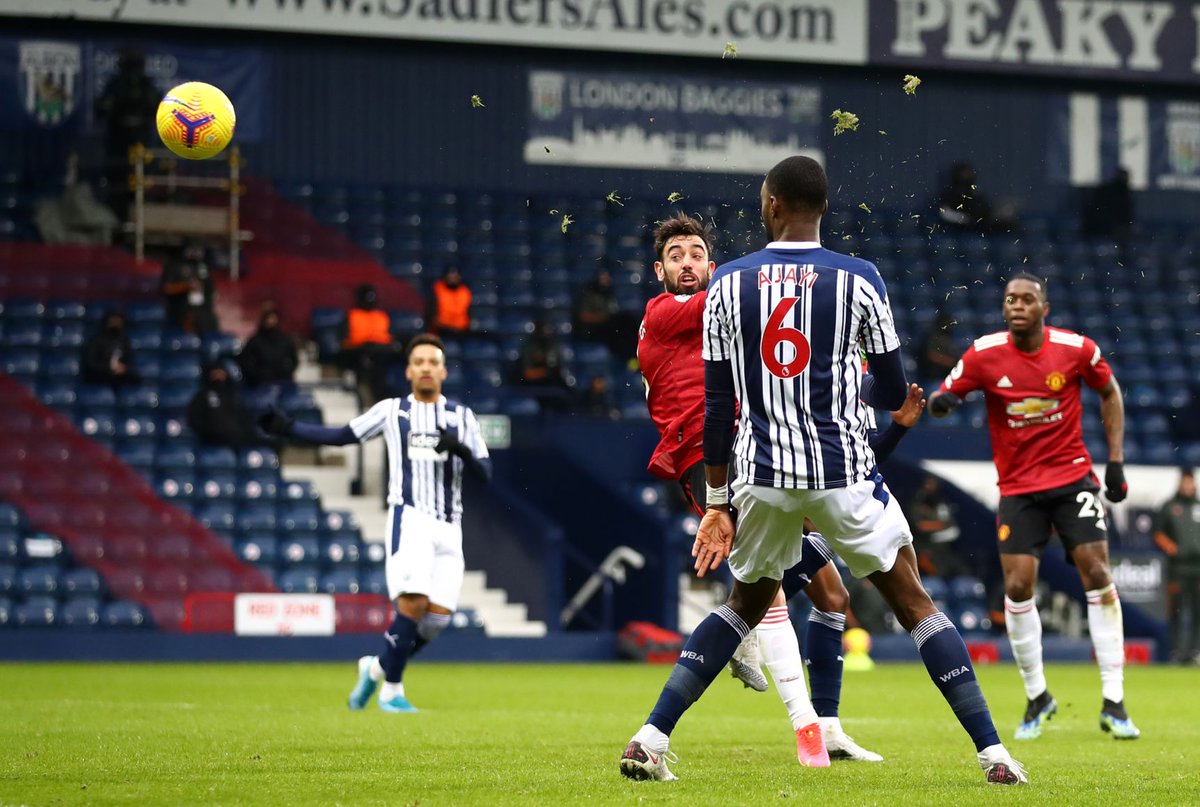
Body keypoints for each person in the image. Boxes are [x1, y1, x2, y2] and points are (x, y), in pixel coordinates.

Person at [619, 156, 1026, 785]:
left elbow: (721, 402)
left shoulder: (728, 285)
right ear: (824, 208)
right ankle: (994, 753)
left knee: (742, 604)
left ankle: (651, 738)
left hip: (760, 474)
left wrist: (721, 501)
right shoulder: (860, 279)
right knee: (915, 603)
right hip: (840, 466)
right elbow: (891, 389)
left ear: (772, 205)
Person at [637, 212, 928, 765]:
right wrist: (808, 291)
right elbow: (762, 307)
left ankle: (829, 723)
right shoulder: (664, 312)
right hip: (708, 456)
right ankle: (805, 735)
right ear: (659, 271)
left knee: (834, 596)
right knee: (766, 594)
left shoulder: (722, 305)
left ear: (711, 263)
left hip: (756, 451)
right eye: (676, 256)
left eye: (697, 254)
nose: (688, 264)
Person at [928, 271, 1138, 741]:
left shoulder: (1076, 349)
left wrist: (1117, 460)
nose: (1018, 305)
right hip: (1019, 489)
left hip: (1072, 479)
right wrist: (943, 403)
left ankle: (1115, 700)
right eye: (1010, 299)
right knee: (1019, 586)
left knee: (1098, 573)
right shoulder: (984, 354)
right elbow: (949, 391)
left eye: (1027, 299)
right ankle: (1038, 695)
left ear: (1044, 308)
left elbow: (1110, 392)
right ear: (1004, 310)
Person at [259, 333, 491, 712]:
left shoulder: (461, 417)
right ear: (409, 371)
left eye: (433, 362)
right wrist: (288, 428)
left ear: (443, 371)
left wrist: (460, 449)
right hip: (411, 517)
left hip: (451, 527)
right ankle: (392, 692)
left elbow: (486, 474)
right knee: (413, 604)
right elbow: (341, 436)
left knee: (436, 620)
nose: (426, 368)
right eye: (419, 362)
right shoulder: (391, 411)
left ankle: (376, 667)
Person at [93, 44, 159, 220]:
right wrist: (114, 109)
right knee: (118, 187)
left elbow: (158, 108)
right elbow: (99, 108)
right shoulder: (116, 84)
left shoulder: (146, 84)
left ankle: (138, 221)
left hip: (140, 141)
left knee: (140, 184)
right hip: (118, 142)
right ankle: (118, 222)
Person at [1154, 468, 1200, 663]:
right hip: (1178, 569)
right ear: (1180, 483)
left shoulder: (1198, 506)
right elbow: (1158, 533)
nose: (1188, 486)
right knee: (1177, 612)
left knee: (1198, 613)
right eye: (1185, 482)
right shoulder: (1170, 506)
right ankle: (1176, 652)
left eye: (1191, 482)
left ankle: (1195, 652)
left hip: (1198, 569)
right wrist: (1171, 548)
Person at [187, 362, 272, 449]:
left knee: (275, 444)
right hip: (217, 442)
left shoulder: (234, 396)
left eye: (221, 372)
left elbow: (245, 419)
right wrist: (212, 433)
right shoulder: (202, 397)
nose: (218, 375)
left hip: (242, 440)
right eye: (215, 372)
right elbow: (194, 420)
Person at [342, 283, 403, 402]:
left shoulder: (382, 316)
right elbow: (344, 342)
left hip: (381, 354)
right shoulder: (352, 316)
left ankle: (387, 397)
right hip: (359, 354)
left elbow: (391, 338)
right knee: (365, 362)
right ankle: (365, 395)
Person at [909, 475, 967, 579]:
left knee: (955, 567)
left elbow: (948, 525)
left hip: (944, 547)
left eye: (932, 485)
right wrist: (937, 525)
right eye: (928, 484)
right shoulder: (917, 503)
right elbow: (920, 526)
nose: (930, 488)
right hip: (923, 545)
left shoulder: (941, 504)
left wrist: (934, 525)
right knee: (926, 565)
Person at [162, 241, 218, 335]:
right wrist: (187, 286)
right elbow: (167, 288)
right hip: (180, 310)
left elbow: (210, 293)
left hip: (202, 311)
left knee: (210, 322)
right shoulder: (174, 266)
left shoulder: (204, 268)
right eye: (192, 249)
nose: (195, 252)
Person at [238, 304, 298, 389]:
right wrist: (257, 374)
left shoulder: (285, 340)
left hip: (283, 381)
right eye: (267, 318)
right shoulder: (255, 341)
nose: (270, 321)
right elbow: (244, 361)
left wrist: (285, 371)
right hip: (260, 383)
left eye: (272, 318)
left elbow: (294, 360)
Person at [81, 310, 140, 388]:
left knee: (135, 379)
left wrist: (123, 368)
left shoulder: (124, 341)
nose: (115, 323)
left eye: (118, 321)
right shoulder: (96, 340)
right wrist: (109, 368)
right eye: (113, 321)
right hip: (101, 374)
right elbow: (91, 363)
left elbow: (129, 361)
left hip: (119, 376)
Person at [1081, 168, 1134, 252]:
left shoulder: (1124, 194)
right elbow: (1098, 213)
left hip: (1111, 230)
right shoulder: (1109, 192)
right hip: (1101, 230)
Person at [937, 162, 993, 233]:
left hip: (972, 233)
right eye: (963, 176)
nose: (966, 178)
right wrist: (963, 218)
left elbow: (983, 219)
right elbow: (944, 214)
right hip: (950, 231)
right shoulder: (947, 197)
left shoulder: (978, 200)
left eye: (969, 176)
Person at [575, 268, 619, 346]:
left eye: (607, 278)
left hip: (608, 332)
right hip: (591, 332)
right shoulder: (589, 294)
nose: (605, 281)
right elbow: (583, 316)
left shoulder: (610, 294)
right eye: (603, 278)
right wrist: (604, 318)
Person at [425, 265, 472, 335]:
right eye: (450, 275)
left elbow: (469, 315)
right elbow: (430, 315)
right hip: (441, 331)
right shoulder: (437, 289)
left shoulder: (465, 292)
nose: (453, 278)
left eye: (455, 275)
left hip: (461, 332)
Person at [916, 309, 959, 383]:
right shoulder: (933, 336)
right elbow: (932, 355)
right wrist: (951, 362)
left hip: (945, 378)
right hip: (931, 378)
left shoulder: (947, 337)